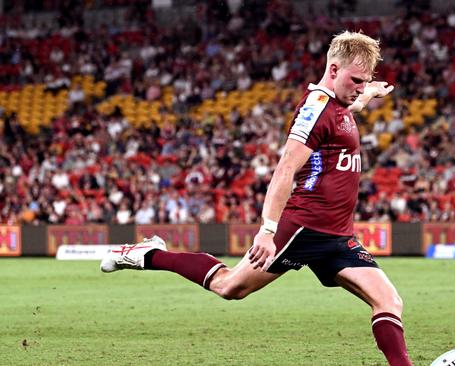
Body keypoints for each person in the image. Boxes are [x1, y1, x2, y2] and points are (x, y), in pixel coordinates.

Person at [100, 31, 412, 366]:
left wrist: (369, 95)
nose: (361, 88)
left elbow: (346, 114)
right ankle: (150, 255)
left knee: (389, 301)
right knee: (230, 286)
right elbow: (285, 169)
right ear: (333, 70)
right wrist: (267, 229)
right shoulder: (316, 109)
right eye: (357, 81)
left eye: (366, 81)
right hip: (303, 227)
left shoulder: (342, 103)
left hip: (337, 235)